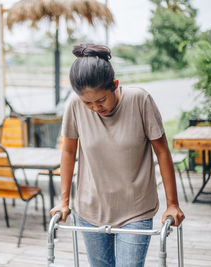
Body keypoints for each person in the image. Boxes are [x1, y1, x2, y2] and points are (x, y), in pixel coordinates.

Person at [50, 44, 185, 267]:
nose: (95, 108)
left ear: (114, 85)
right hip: (90, 209)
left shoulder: (140, 101)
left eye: (101, 100)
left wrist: (173, 203)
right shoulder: (74, 106)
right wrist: (63, 201)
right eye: (88, 103)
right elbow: (68, 150)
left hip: (135, 210)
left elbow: (161, 150)